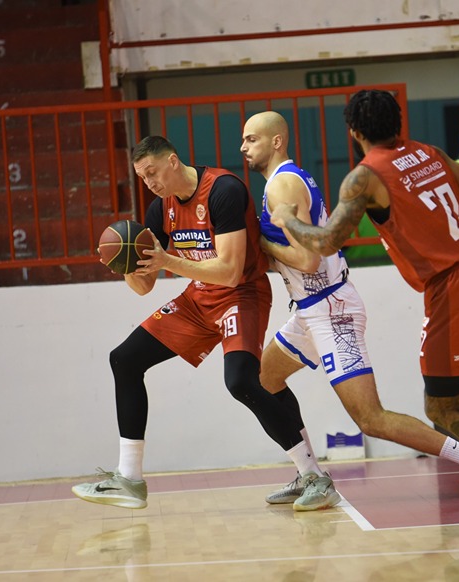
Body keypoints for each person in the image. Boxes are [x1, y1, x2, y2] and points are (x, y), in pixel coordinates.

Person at [270, 89, 459, 528]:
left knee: (439, 406)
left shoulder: (363, 178)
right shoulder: (429, 153)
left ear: (354, 132)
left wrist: (287, 219)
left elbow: (327, 242)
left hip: (452, 285)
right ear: (398, 122)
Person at [240, 110, 459, 505]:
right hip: (311, 308)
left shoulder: (282, 185)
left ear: (277, 141)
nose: (243, 147)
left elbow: (308, 260)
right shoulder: (284, 180)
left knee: (370, 419)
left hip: (331, 310)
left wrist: (261, 246)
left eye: (251, 139)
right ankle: (310, 475)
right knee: (264, 379)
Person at [72, 136, 326, 510]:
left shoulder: (223, 190)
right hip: (198, 298)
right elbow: (143, 287)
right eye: (142, 178)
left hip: (241, 294)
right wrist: (124, 262)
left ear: (173, 161)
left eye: (152, 172)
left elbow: (230, 271)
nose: (149, 183)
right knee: (124, 359)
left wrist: (167, 261)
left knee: (242, 381)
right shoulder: (160, 209)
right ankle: (129, 479)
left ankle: (313, 476)